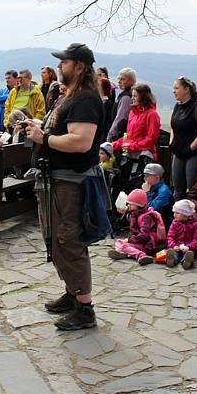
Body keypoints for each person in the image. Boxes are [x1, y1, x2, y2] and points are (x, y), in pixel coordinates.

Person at [24, 42, 108, 331]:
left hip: (70, 183)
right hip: (58, 180)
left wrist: (42, 138)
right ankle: (73, 294)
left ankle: (85, 309)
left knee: (68, 240)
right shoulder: (71, 96)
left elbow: (81, 141)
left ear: (80, 67)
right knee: (58, 240)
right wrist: (40, 127)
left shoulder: (85, 99)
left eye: (65, 62)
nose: (60, 66)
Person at [169, 76, 197, 200]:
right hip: (178, 151)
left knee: (192, 186)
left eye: (177, 88)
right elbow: (173, 125)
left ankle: (192, 217)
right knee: (178, 187)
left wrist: (190, 148)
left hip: (194, 152)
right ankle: (178, 215)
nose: (174, 91)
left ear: (187, 89)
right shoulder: (178, 106)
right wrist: (172, 141)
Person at [108, 188, 165, 266]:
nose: (128, 206)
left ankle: (140, 255)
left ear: (139, 205)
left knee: (123, 245)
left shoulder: (146, 217)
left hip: (147, 245)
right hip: (140, 242)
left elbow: (144, 236)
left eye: (131, 204)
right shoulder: (135, 213)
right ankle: (126, 253)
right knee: (118, 242)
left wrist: (129, 240)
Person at [111, 83, 160, 159]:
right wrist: (112, 145)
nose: (132, 98)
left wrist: (132, 146)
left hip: (144, 156)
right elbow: (129, 137)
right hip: (130, 154)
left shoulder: (152, 114)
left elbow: (151, 139)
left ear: (143, 97)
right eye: (132, 96)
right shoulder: (132, 112)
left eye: (135, 96)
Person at [164, 199, 197, 269]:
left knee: (191, 253)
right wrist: (174, 245)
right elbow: (170, 236)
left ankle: (186, 261)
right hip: (178, 246)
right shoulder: (174, 223)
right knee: (174, 252)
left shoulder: (195, 224)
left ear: (186, 214)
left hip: (190, 247)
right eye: (174, 212)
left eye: (177, 213)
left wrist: (189, 246)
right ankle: (172, 260)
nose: (175, 215)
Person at [107, 67, 136, 142]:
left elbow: (121, 118)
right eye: (118, 79)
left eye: (122, 79)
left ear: (131, 80)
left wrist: (111, 135)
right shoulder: (127, 94)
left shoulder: (127, 97)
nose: (119, 81)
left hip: (122, 136)